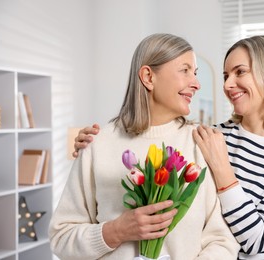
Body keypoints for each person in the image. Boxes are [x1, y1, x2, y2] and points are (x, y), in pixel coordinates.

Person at [73, 35, 264, 259]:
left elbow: (257, 241)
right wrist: (95, 144)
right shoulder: (211, 136)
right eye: (225, 75)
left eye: (239, 72)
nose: (228, 85)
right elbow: (157, 137)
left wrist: (223, 170)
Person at [49, 33, 240, 260]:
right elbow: (61, 238)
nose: (196, 84)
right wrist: (116, 231)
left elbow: (223, 241)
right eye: (185, 70)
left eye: (195, 73)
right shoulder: (97, 144)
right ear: (149, 77)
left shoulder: (202, 143)